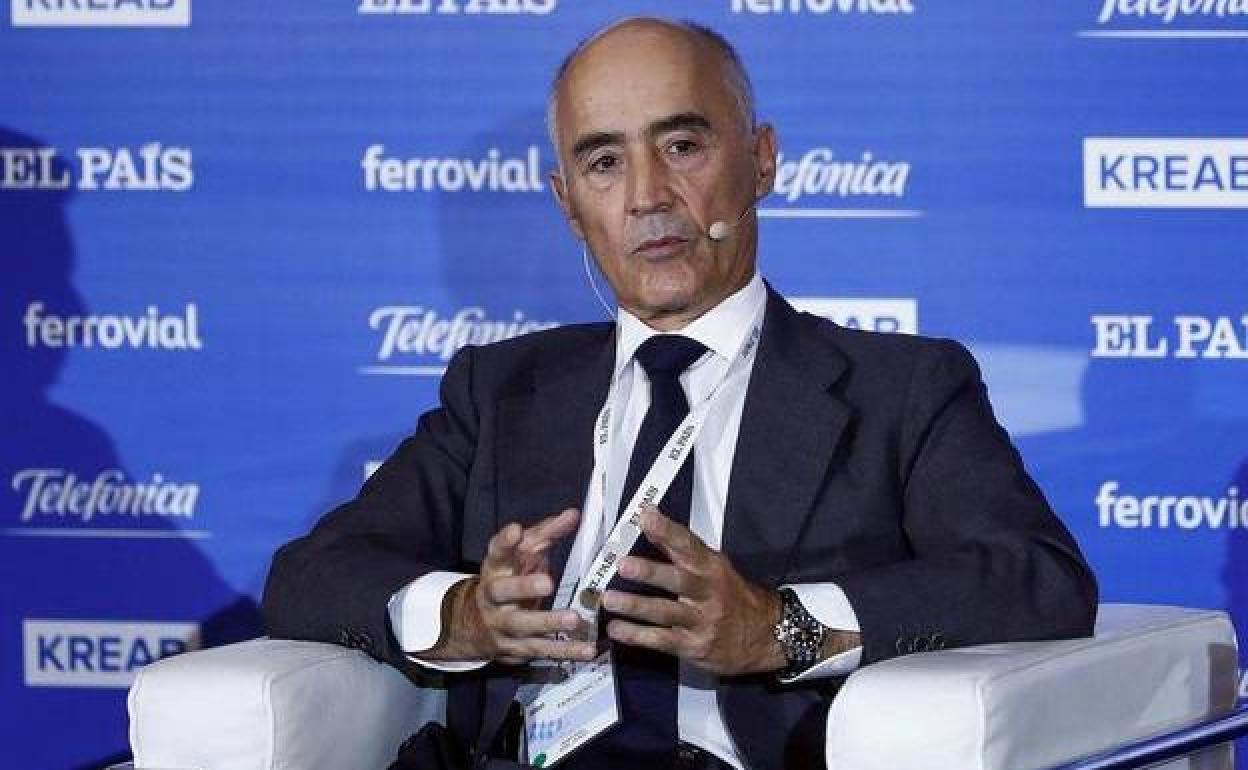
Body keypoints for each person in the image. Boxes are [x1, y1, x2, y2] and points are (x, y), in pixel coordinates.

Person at [261, 16, 1096, 770]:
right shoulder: (500, 391)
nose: (647, 197)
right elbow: (308, 576)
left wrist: (778, 628)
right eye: (604, 162)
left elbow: (1039, 580)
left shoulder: (902, 390)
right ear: (568, 205)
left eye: (683, 146)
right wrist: (464, 618)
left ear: (761, 159)